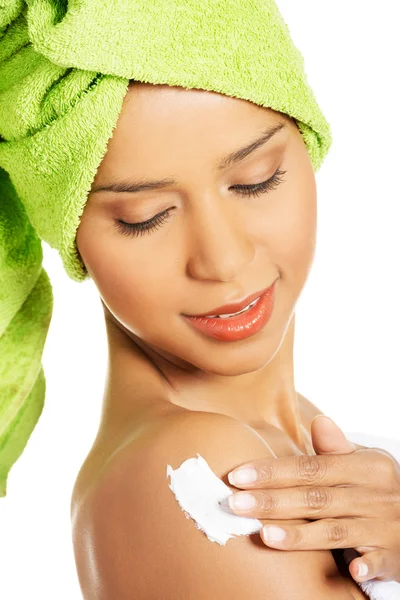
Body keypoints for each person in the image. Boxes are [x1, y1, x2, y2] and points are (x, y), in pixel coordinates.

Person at [69, 81, 382, 599]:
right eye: (145, 218)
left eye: (256, 182)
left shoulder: (302, 426)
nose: (224, 260)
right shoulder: (199, 464)